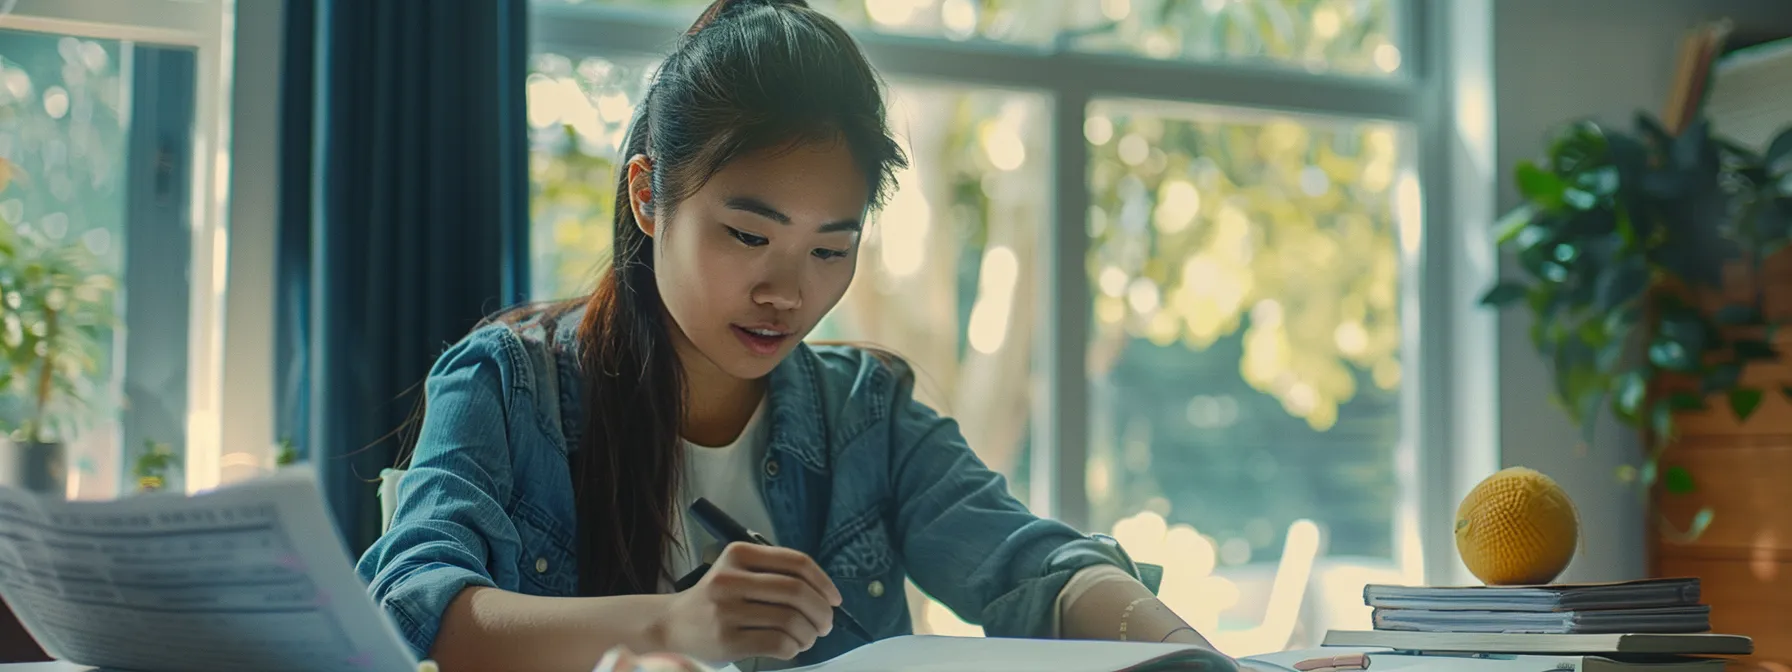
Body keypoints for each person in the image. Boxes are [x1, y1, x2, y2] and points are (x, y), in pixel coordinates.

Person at [356, 1, 1218, 670]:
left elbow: (1037, 568)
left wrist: (1198, 656)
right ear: (649, 197)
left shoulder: (867, 415)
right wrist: (677, 624)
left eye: (830, 249)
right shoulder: (508, 386)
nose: (786, 292)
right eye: (747, 235)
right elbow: (410, 615)